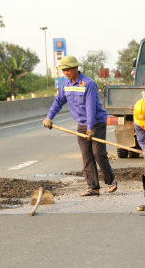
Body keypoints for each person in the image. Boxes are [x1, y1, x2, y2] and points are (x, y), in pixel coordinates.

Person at [43, 55, 117, 196]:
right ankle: (93, 187)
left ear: (76, 68)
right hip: (82, 124)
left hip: (96, 122)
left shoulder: (88, 83)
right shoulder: (66, 85)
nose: (65, 73)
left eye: (68, 69)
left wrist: (90, 128)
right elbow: (58, 102)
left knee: (98, 153)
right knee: (86, 155)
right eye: (63, 70)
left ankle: (111, 181)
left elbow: (91, 108)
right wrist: (49, 117)